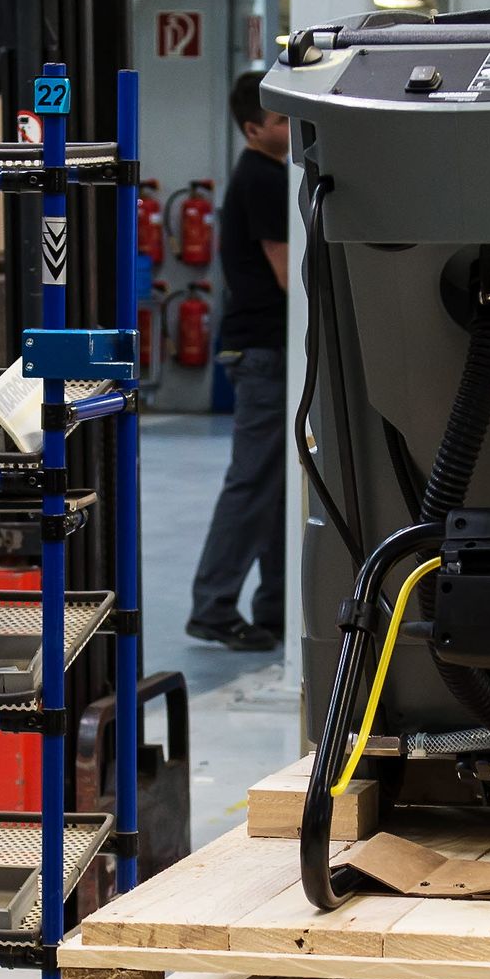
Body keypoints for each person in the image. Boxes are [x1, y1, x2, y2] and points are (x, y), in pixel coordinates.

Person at [184, 70, 291, 653]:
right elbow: (286, 274)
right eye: (279, 119)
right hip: (265, 354)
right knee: (253, 483)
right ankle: (213, 606)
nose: (289, 126)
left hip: (267, 351)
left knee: (274, 486)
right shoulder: (263, 180)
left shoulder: (268, 175)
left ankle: (273, 605)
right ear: (254, 129)